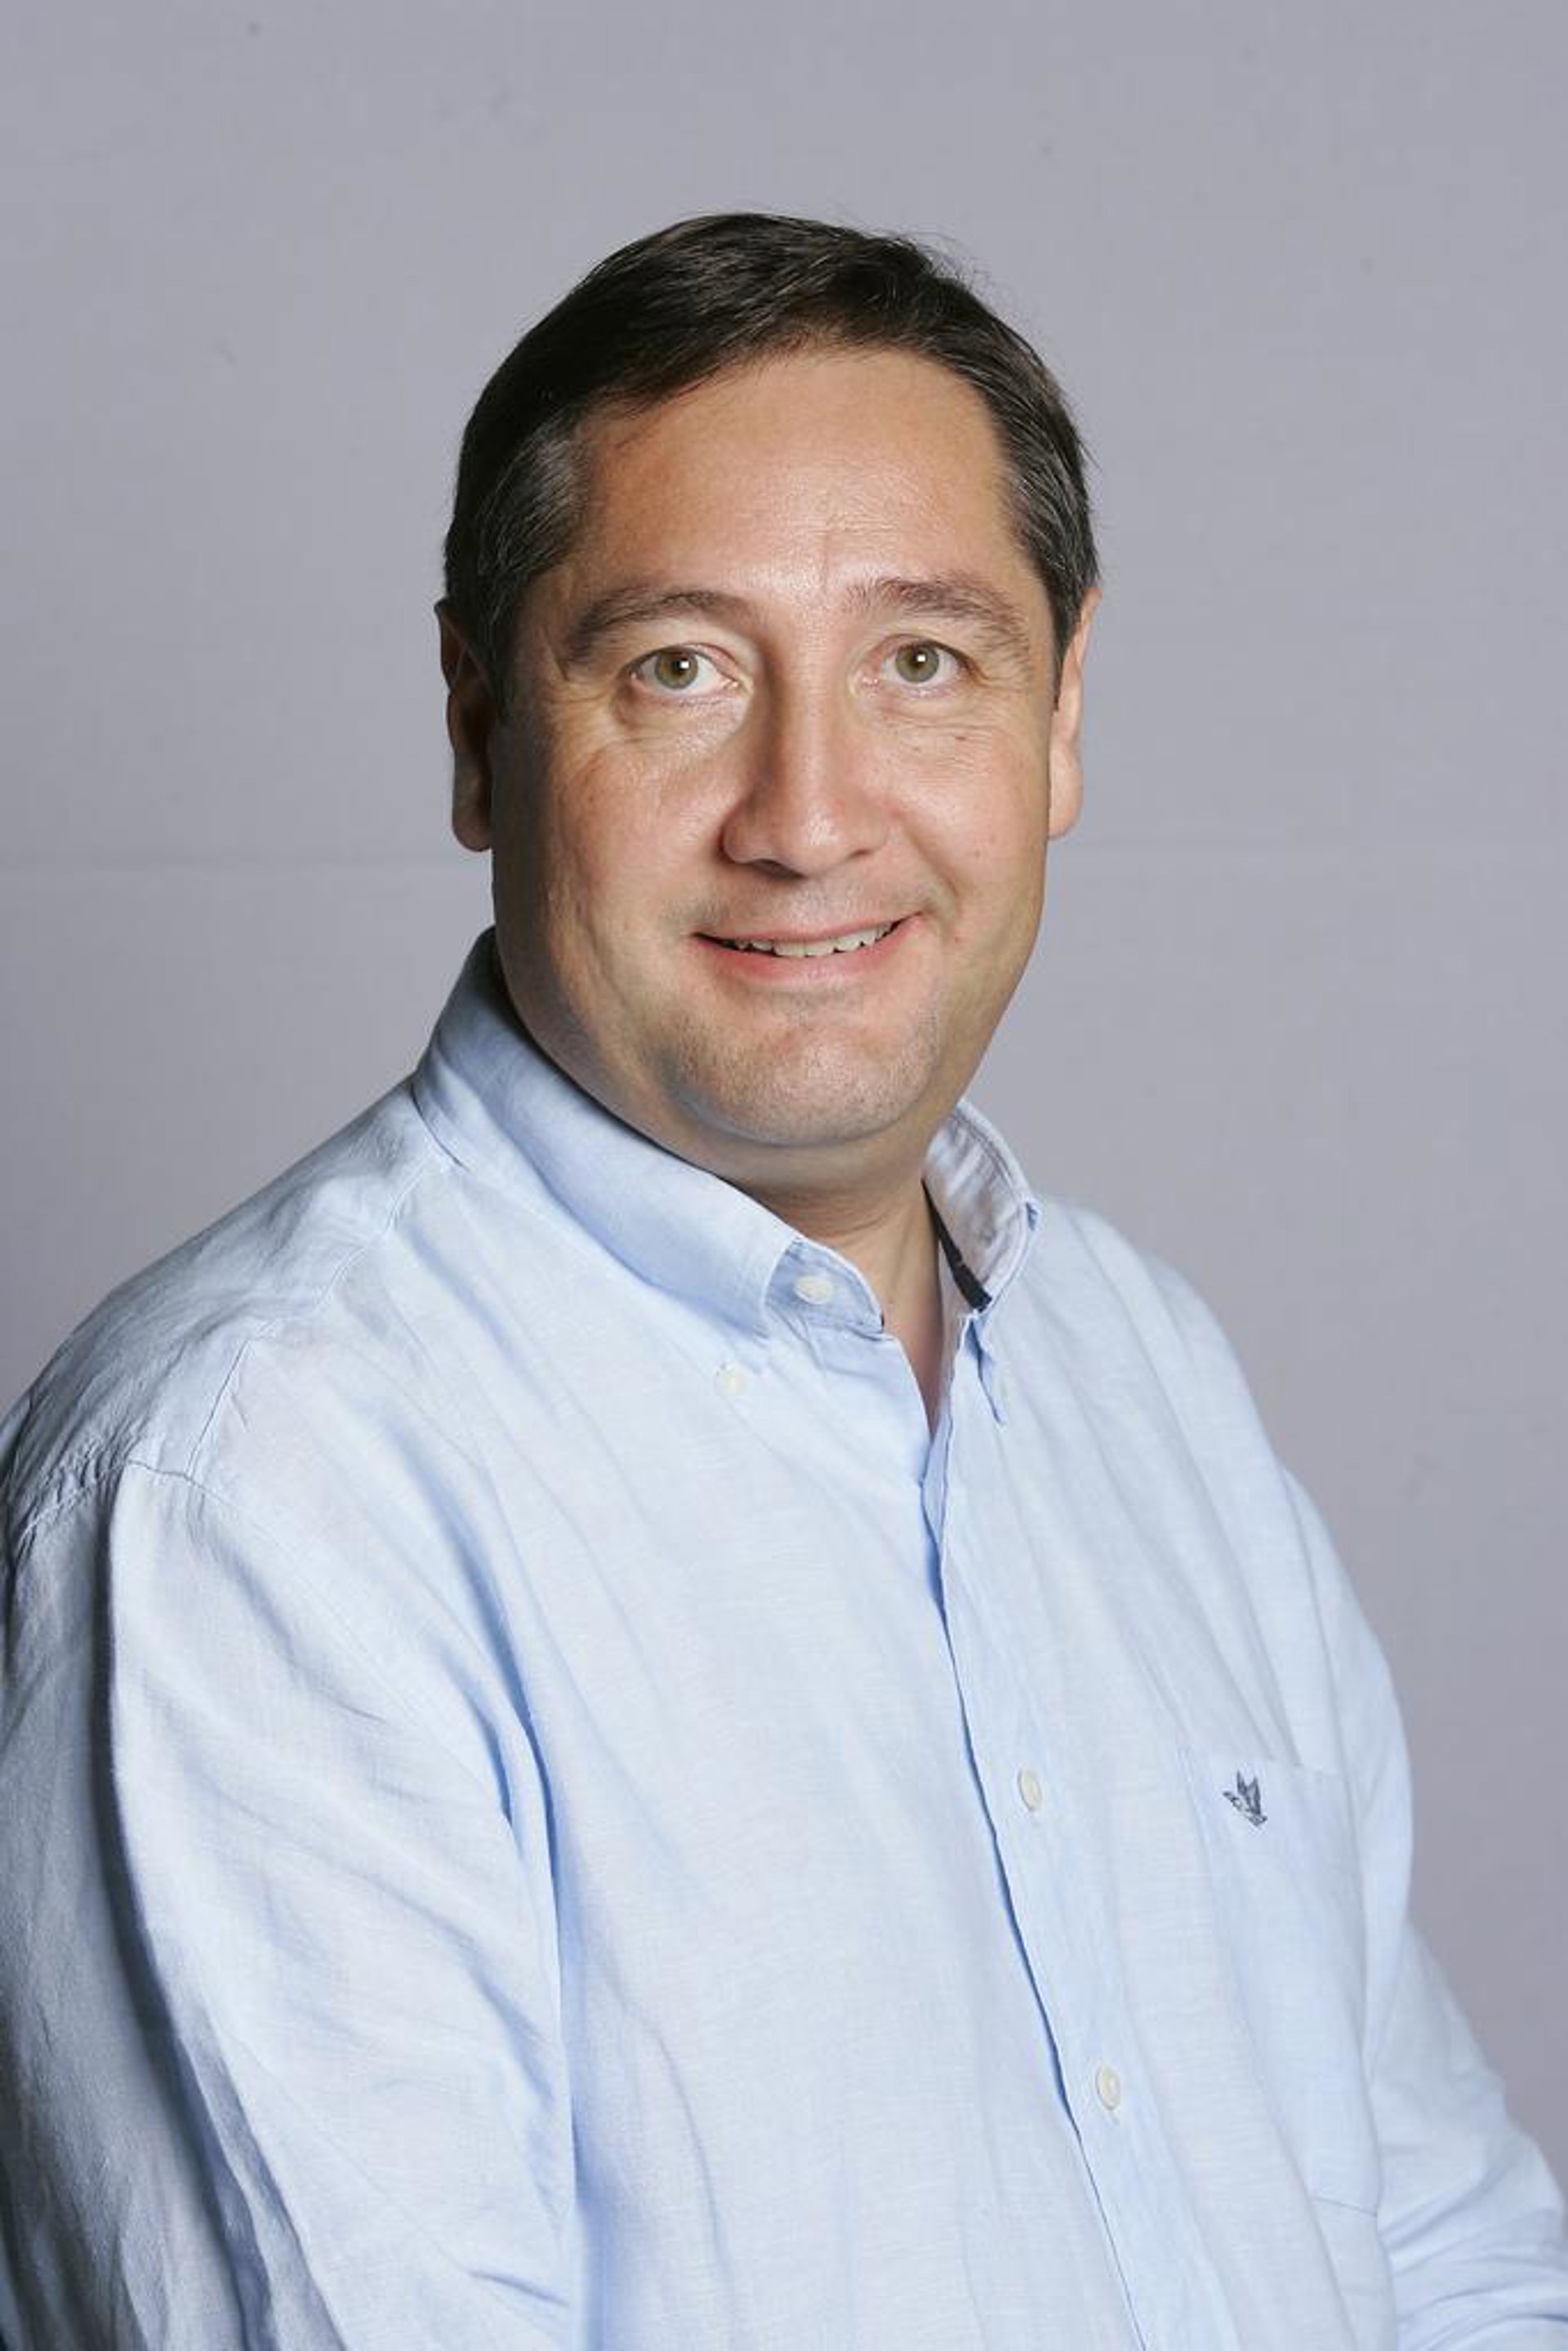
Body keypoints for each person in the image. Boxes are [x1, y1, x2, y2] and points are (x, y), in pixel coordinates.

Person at [0, 212, 1562, 2351]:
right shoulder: (252, 1495)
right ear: (477, 722)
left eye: (922, 663)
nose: (810, 819)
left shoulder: (1141, 1374)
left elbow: (1451, 2257)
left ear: (1060, 715)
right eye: (680, 668)